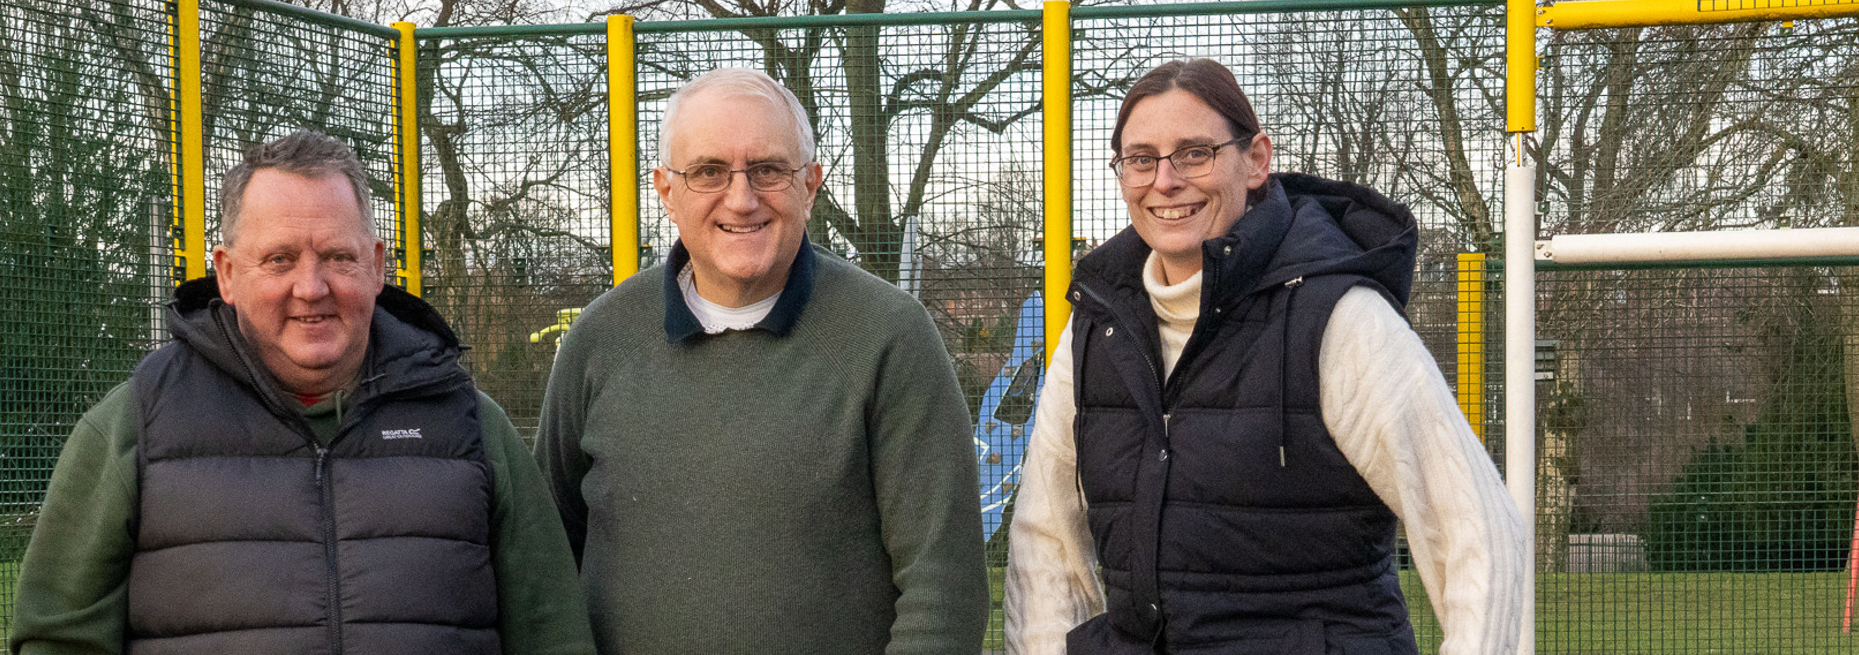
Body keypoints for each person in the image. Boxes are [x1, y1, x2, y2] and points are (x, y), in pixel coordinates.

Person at [1003, 59, 1527, 655]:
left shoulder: (1340, 318)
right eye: (1141, 158)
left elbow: (1477, 536)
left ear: (1255, 160)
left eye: (1195, 153)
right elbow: (1045, 545)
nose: (1165, 181)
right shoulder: (1095, 328)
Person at [9, 131, 596, 655]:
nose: (310, 288)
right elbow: (58, 637)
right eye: (280, 259)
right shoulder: (134, 425)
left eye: (338, 257)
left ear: (376, 265)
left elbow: (553, 633)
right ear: (228, 273)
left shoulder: (471, 426)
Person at [533, 67, 986, 655]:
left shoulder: (889, 336)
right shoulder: (601, 339)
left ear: (811, 184)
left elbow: (942, 587)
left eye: (769, 170)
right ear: (666, 190)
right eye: (708, 172)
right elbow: (544, 566)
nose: (741, 199)